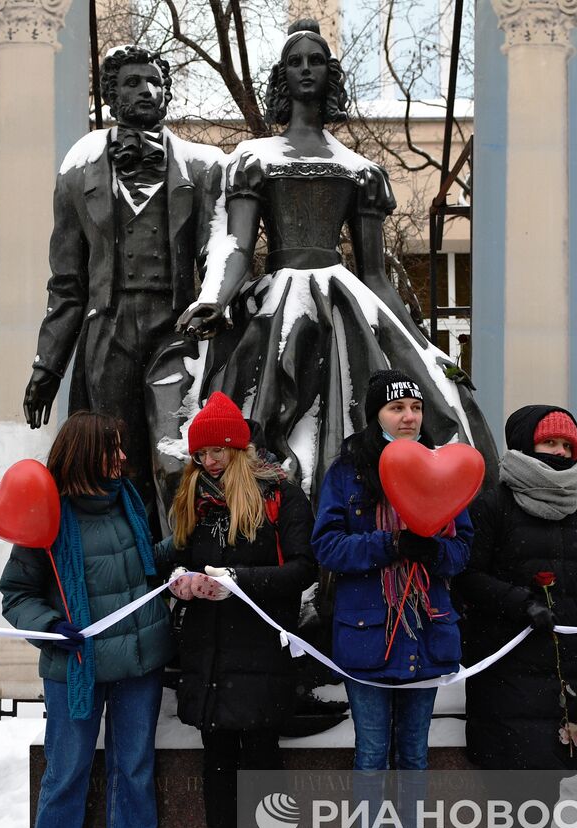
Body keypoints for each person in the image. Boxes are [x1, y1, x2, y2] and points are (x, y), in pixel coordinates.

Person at [178, 19, 494, 500]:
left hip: (343, 299)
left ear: (331, 72)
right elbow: (239, 246)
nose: (306, 69)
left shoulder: (360, 172)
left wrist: (422, 345)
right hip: (278, 300)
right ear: (282, 75)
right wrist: (214, 298)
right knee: (251, 404)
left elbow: (374, 275)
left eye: (316, 60)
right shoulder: (253, 159)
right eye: (295, 61)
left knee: (357, 407)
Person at [23, 44, 226, 524]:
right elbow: (67, 283)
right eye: (132, 82)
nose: (146, 90)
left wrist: (215, 304)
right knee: (112, 456)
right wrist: (47, 367)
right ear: (112, 96)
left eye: (154, 81)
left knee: (174, 454)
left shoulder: (203, 167)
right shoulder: (78, 171)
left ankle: (177, 560)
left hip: (174, 329)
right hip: (108, 331)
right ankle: (124, 560)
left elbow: (217, 251)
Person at [311, 369, 473, 828]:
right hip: (367, 638)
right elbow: (327, 547)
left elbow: (462, 554)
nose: (407, 417)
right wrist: (392, 542)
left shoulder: (444, 472)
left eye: (414, 408)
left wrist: (432, 550)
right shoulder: (349, 471)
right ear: (375, 415)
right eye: (395, 408)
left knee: (414, 762)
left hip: (425, 636)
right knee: (372, 761)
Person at [0, 411, 174, 828]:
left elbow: (143, 567)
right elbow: (17, 594)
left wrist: (183, 547)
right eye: (112, 448)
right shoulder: (46, 514)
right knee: (67, 768)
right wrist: (51, 624)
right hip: (74, 663)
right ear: (83, 454)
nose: (122, 457)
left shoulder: (129, 501)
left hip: (140, 661)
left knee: (134, 768)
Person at [161, 391, 317, 828]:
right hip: (208, 657)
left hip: (260, 652)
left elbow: (304, 569)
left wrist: (241, 582)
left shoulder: (280, 496)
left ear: (240, 449)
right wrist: (180, 584)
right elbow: (179, 561)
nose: (210, 461)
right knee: (218, 765)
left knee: (264, 764)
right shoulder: (190, 498)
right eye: (202, 453)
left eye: (219, 451)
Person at [454, 406, 577, 828]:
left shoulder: (574, 508)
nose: (560, 454)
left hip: (562, 657)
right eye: (551, 445)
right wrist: (521, 603)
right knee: (511, 762)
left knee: (550, 764)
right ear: (525, 444)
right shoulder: (491, 505)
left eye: (568, 447)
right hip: (507, 656)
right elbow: (468, 579)